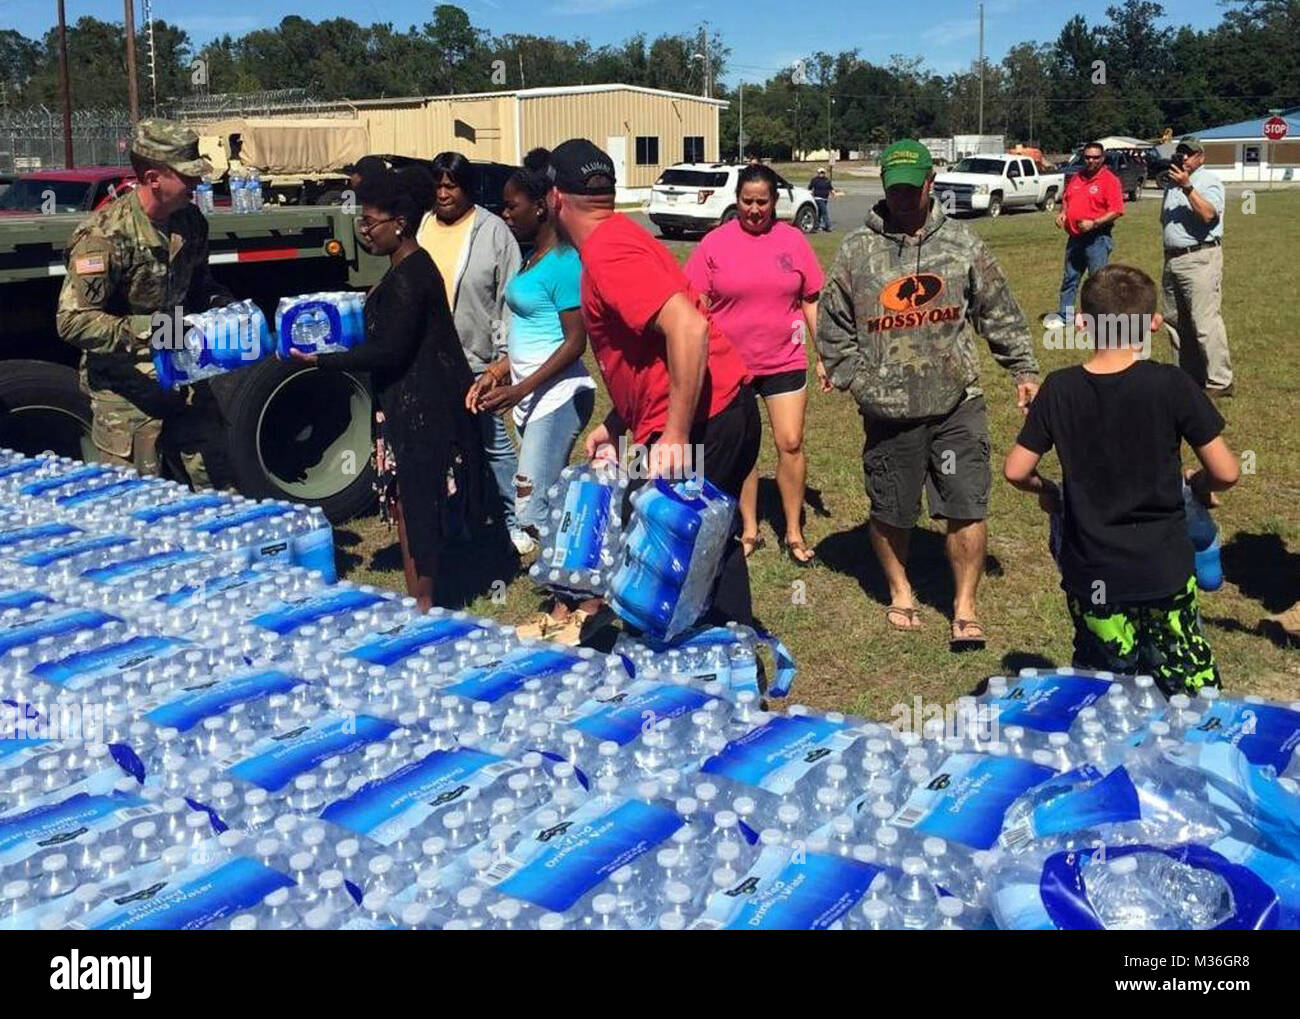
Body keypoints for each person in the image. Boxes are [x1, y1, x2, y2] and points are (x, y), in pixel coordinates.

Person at [817, 139, 1041, 650]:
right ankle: (901, 592)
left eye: (909, 189)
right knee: (892, 509)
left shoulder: (962, 244)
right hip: (888, 411)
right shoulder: (857, 249)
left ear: (929, 182)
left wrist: (1022, 367)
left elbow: (997, 309)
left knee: (967, 502)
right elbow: (833, 325)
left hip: (957, 401)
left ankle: (964, 606)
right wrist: (858, 379)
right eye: (891, 189)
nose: (900, 199)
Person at [547, 138, 761, 631]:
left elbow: (690, 329)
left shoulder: (607, 253)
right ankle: (725, 659)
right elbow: (650, 347)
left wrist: (677, 435)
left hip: (705, 419)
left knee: (669, 542)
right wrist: (617, 420)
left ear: (556, 199)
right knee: (703, 540)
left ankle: (710, 661)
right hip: (711, 410)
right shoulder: (621, 236)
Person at [1003, 264, 1239, 695]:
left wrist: (1049, 493)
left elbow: (1016, 470)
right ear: (1152, 322)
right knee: (1188, 688)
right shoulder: (1171, 384)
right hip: (1163, 567)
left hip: (1094, 571)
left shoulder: (1058, 389)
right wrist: (1199, 486)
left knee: (1105, 689)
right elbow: (1227, 471)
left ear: (1083, 324)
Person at [289, 169, 481, 612]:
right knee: (406, 508)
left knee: (419, 508)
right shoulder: (401, 270)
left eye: (370, 222)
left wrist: (321, 360)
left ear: (400, 222)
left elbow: (389, 351)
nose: (363, 231)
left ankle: (426, 604)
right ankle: (419, 601)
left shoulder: (412, 276)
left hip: (422, 408)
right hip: (403, 404)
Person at [56, 118, 234, 488]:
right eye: (187, 177)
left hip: (183, 375)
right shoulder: (105, 236)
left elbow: (199, 283)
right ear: (154, 178)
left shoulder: (190, 221)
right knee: (139, 504)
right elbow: (73, 321)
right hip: (126, 390)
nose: (197, 183)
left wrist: (222, 307)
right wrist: (153, 332)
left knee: (217, 489)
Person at [466, 149, 598, 643]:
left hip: (559, 395)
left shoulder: (565, 262)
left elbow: (574, 340)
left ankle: (585, 597)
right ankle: (568, 601)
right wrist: (499, 372)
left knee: (529, 504)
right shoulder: (532, 256)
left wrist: (520, 386)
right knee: (551, 499)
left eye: (511, 206)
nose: (505, 213)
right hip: (529, 395)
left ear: (541, 207)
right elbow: (528, 329)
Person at [685, 163, 827, 566]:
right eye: (747, 201)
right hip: (732, 366)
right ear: (736, 201)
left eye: (762, 202)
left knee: (791, 442)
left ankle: (794, 531)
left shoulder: (793, 241)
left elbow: (810, 299)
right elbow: (693, 302)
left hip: (785, 357)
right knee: (744, 447)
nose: (754, 210)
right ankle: (749, 528)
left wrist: (823, 356)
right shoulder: (714, 244)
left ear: (775, 202)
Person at [415, 150, 527, 551]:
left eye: (452, 185)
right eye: (439, 185)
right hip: (430, 358)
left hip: (478, 359)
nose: (444, 193)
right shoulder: (424, 226)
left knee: (494, 442)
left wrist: (502, 359)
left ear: (468, 188)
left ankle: (519, 520)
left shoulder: (494, 231)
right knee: (446, 445)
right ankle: (458, 516)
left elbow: (509, 297)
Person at [1161, 136, 1233, 397]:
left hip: (1200, 257)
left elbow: (1208, 215)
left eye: (1189, 154)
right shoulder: (1172, 182)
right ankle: (1188, 377)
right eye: (1181, 152)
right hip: (1173, 259)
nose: (1184, 158)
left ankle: (1220, 381)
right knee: (1176, 322)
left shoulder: (1207, 180)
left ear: (1201, 156)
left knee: (1205, 322)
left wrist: (1188, 187)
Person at [1047, 141, 1123, 328]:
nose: (1091, 161)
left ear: (1102, 158)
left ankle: (1098, 318)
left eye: (1095, 157)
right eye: (1088, 157)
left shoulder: (1109, 180)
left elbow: (1116, 210)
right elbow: (1066, 199)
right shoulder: (1077, 178)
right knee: (1070, 278)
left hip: (1097, 238)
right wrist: (1063, 213)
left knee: (1097, 281)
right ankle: (1066, 316)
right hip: (1075, 238)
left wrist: (1094, 223)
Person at [807, 167, 843, 232]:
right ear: (818, 173)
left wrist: (834, 194)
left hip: (825, 198)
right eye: (820, 172)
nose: (821, 174)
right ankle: (827, 226)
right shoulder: (815, 180)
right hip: (818, 198)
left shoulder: (826, 180)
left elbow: (830, 188)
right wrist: (811, 194)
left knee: (820, 213)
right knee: (824, 212)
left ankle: (816, 226)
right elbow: (810, 188)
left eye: (823, 173)